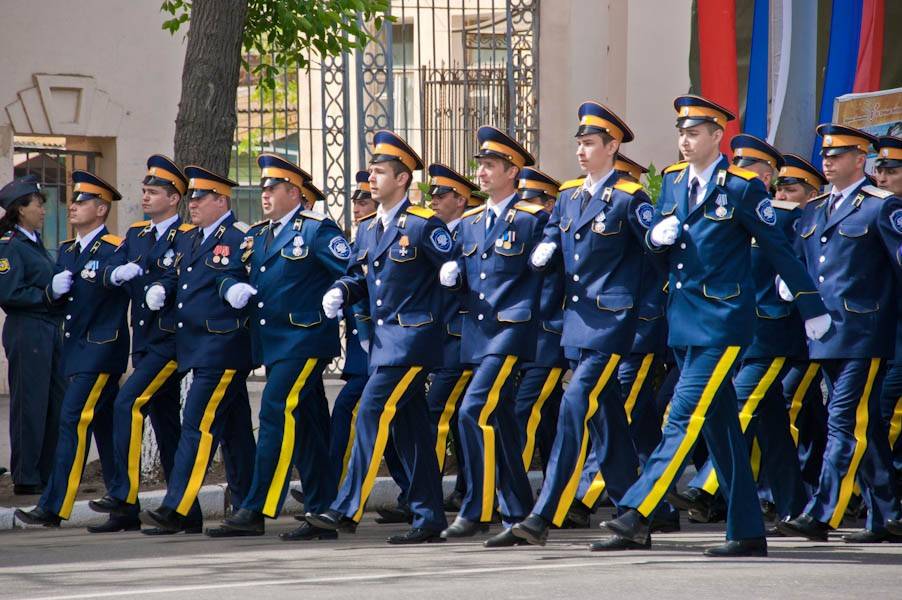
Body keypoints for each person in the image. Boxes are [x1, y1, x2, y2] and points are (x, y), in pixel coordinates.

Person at [600, 95, 829, 557]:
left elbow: (778, 249)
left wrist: (811, 305)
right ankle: (746, 531)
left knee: (682, 415)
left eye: (694, 133)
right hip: (683, 318)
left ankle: (636, 512)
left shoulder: (741, 187)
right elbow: (664, 245)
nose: (685, 141)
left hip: (723, 322)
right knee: (721, 427)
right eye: (681, 133)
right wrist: (655, 237)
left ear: (717, 136)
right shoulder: (673, 180)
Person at [510, 103, 649, 548]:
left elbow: (655, 255)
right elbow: (555, 230)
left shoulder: (629, 198)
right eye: (580, 144)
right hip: (576, 323)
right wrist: (546, 247)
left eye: (589, 143)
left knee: (574, 405)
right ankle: (636, 514)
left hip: (610, 324)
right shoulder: (570, 194)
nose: (581, 151)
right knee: (607, 420)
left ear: (612, 146)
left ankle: (543, 513)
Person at [308, 130, 451, 544]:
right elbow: (358, 274)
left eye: (380, 172)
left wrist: (448, 284)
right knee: (411, 430)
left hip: (413, 343)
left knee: (371, 409)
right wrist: (342, 290)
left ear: (402, 179)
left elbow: (455, 274)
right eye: (371, 171)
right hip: (386, 346)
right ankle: (428, 516)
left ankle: (345, 507)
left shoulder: (423, 225)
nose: (371, 178)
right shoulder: (369, 228)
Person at [205, 154, 348, 540]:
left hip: (304, 340)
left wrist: (339, 293)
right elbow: (226, 271)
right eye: (263, 189)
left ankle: (256, 508)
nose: (264, 195)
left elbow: (350, 273)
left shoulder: (316, 230)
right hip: (273, 343)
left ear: (294, 193)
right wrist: (230, 287)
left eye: (272, 188)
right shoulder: (257, 235)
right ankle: (321, 510)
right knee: (308, 425)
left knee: (274, 410)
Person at [672, 134, 808, 526]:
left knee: (741, 405)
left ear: (764, 178)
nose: (737, 173)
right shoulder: (717, 204)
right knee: (771, 423)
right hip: (733, 330)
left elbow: (796, 261)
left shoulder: (784, 216)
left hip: (770, 332)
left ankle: (705, 488)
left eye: (747, 169)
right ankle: (794, 506)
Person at [776, 125, 902, 543]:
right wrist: (788, 284)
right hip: (824, 333)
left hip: (865, 333)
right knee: (865, 425)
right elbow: (798, 261)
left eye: (838, 155)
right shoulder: (815, 209)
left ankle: (822, 512)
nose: (827, 162)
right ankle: (887, 516)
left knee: (844, 421)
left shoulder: (880, 206)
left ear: (860, 160)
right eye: (826, 155)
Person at [438, 126, 549, 547]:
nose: (481, 173)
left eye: (489, 166)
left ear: (512, 171)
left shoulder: (533, 218)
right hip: (479, 333)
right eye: (481, 165)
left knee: (472, 410)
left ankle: (476, 510)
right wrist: (453, 277)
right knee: (500, 420)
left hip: (512, 331)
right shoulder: (470, 223)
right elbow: (466, 276)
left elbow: (550, 273)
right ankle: (518, 511)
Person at [87, 155, 202, 534]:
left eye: (153, 192)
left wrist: (162, 286)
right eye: (144, 191)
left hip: (171, 342)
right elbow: (108, 267)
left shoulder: (187, 235)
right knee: (167, 426)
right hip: (144, 342)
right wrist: (114, 272)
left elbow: (186, 276)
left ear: (174, 198)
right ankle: (185, 514)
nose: (146, 197)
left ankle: (123, 496)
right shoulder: (136, 234)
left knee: (128, 402)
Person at [138, 166, 257, 533]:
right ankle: (248, 508)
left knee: (196, 424)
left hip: (223, 347)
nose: (192, 204)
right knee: (235, 432)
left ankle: (177, 506)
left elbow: (250, 284)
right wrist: (163, 287)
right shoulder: (190, 238)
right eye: (191, 198)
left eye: (200, 198)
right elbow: (179, 275)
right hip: (199, 346)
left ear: (221, 200)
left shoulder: (240, 238)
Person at [15, 171, 131, 527]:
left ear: (101, 209)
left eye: (82, 202)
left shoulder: (114, 247)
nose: (73, 207)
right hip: (75, 350)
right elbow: (61, 303)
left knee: (72, 419)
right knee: (105, 427)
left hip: (100, 350)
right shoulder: (67, 250)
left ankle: (54, 505)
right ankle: (125, 506)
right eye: (73, 201)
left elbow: (115, 284)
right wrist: (52, 292)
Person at [0, 175, 65, 496]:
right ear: (20, 209)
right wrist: (48, 294)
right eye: (38, 204)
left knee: (54, 401)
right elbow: (9, 292)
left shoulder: (34, 242)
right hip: (27, 329)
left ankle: (46, 471)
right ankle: (26, 475)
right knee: (30, 403)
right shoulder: (10, 245)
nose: (43, 210)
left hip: (48, 328)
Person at [424, 163, 478, 505]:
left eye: (441, 195)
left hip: (460, 340)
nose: (433, 200)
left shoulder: (470, 232)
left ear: (460, 200)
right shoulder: (436, 234)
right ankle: (465, 490)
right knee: (458, 419)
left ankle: (425, 493)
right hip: (440, 339)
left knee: (438, 411)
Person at [510, 166, 566, 478]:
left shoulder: (553, 236)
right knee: (549, 418)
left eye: (531, 201)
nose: (524, 208)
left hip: (547, 338)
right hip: (528, 338)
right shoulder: (526, 231)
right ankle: (557, 485)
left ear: (549, 203)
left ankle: (510, 489)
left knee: (525, 410)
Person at [873, 136, 902, 491]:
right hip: (882, 330)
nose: (882, 177)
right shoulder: (876, 210)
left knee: (881, 411)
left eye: (891, 171)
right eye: (879, 170)